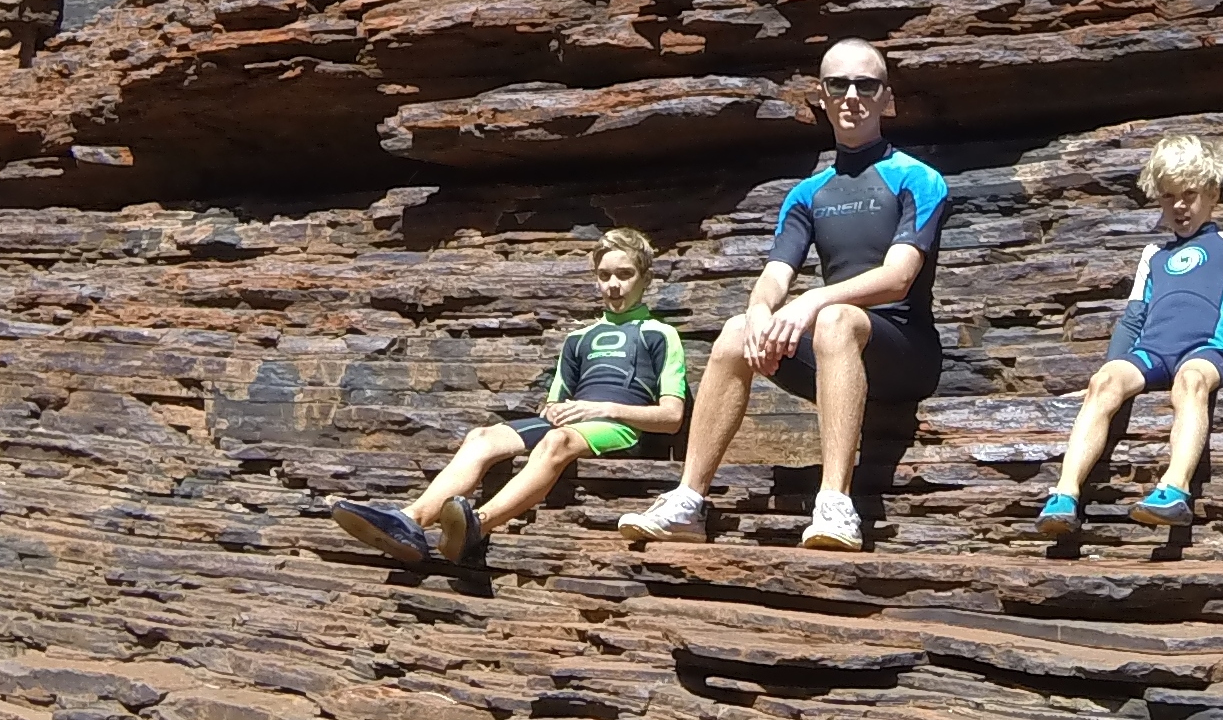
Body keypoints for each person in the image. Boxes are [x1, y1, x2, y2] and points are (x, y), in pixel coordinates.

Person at [618, 39, 949, 552]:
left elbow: (898, 277)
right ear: (822, 95)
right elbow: (776, 274)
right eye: (839, 84)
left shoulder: (918, 178)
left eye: (866, 85)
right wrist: (759, 310)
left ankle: (835, 505)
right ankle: (689, 500)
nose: (852, 96)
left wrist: (812, 302)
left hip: (905, 353)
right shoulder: (807, 194)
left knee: (836, 318)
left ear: (887, 99)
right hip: (836, 352)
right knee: (737, 331)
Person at [330, 228, 686, 564]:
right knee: (482, 436)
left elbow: (671, 417)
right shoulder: (578, 339)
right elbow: (555, 401)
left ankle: (477, 525)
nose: (613, 285)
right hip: (574, 423)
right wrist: (554, 410)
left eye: (624, 275)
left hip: (620, 427)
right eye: (604, 275)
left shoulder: (660, 334)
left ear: (645, 278)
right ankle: (410, 521)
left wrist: (604, 408)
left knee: (557, 441)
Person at [1036, 133, 1223, 534]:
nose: (1179, 206)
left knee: (1190, 381)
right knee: (1103, 382)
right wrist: (1105, 373)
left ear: (1212, 194)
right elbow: (1133, 319)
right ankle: (1064, 496)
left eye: (1189, 194)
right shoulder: (1153, 255)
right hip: (1151, 353)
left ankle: (1174, 489)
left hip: (1204, 351)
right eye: (1168, 196)